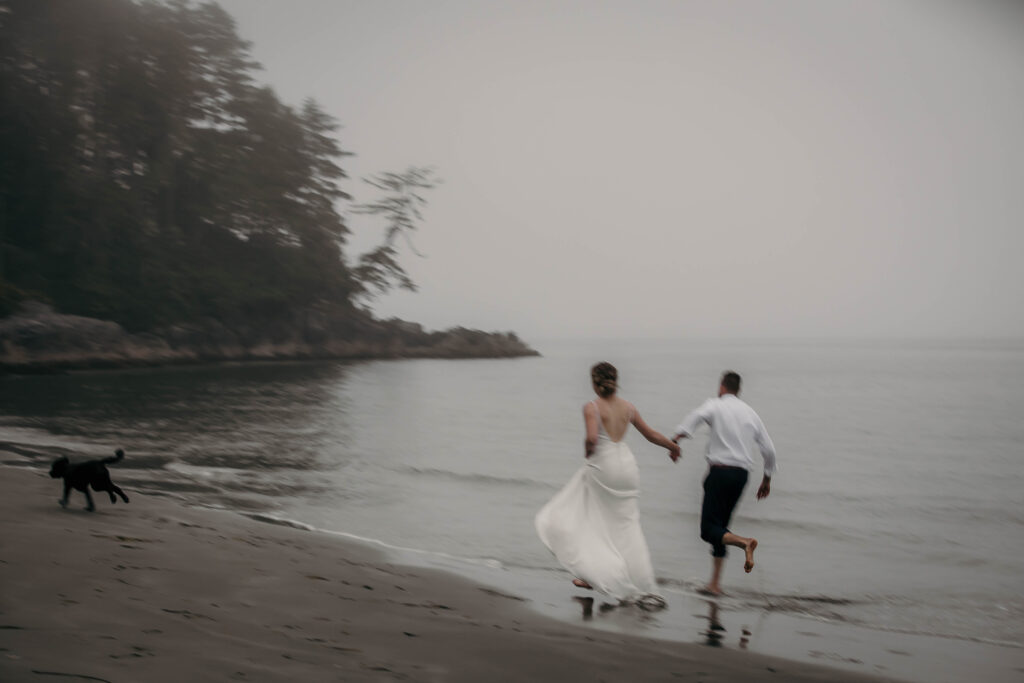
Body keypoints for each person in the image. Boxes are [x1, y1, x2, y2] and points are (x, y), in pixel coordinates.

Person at [535, 362, 681, 606]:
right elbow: (651, 434)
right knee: (627, 527)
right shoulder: (629, 408)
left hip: (604, 466)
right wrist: (673, 446)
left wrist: (587, 453)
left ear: (594, 382)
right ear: (616, 381)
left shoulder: (591, 408)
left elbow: (592, 438)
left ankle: (593, 576)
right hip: (626, 468)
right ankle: (642, 583)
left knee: (591, 521)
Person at [672, 371, 776, 596]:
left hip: (719, 473)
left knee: (708, 530)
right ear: (738, 389)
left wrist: (676, 439)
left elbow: (696, 416)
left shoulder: (715, 405)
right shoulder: (750, 413)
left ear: (721, 387)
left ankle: (744, 543)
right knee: (720, 529)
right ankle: (715, 585)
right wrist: (767, 478)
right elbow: (769, 449)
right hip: (742, 476)